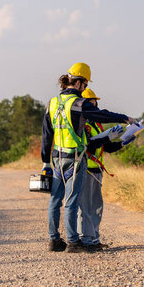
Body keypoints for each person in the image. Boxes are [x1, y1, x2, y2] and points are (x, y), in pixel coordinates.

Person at [41, 62, 135, 253]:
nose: (85, 88)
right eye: (85, 84)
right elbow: (102, 115)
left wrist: (45, 161)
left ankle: (54, 240)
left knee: (55, 200)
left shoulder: (52, 103)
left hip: (56, 158)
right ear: (80, 82)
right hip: (74, 158)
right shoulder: (78, 104)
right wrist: (124, 118)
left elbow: (46, 134)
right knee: (71, 201)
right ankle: (74, 243)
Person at [77, 89, 136, 250]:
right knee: (85, 207)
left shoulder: (96, 124)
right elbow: (88, 146)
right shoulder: (83, 124)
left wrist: (122, 142)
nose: (93, 103)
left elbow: (106, 148)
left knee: (96, 207)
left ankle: (94, 238)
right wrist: (107, 137)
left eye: (94, 101)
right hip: (86, 169)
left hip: (97, 170)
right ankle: (86, 240)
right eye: (90, 101)